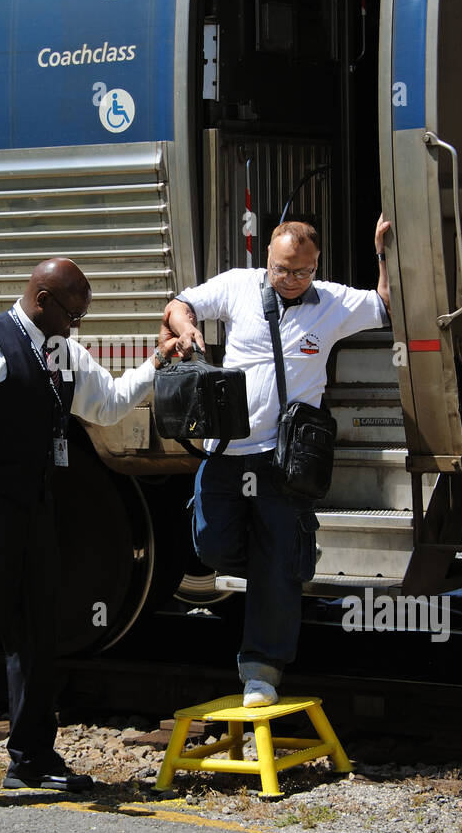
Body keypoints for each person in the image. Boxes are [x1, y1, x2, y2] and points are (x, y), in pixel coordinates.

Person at [0, 257, 178, 813]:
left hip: (34, 511)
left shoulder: (60, 351)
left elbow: (105, 404)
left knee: (39, 635)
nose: (78, 324)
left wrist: (156, 361)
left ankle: (30, 757)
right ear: (41, 299)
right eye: (74, 312)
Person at [159, 215, 392, 707]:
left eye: (302, 272)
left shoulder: (331, 302)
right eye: (283, 269)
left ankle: (261, 672)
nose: (292, 280)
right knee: (211, 547)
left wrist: (381, 253)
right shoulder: (239, 286)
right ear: (267, 259)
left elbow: (385, 304)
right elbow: (180, 304)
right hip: (226, 450)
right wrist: (186, 330)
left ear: (316, 266)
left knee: (277, 562)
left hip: (285, 459)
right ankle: (280, 563)